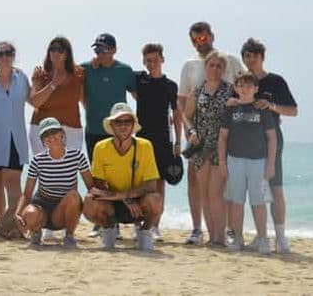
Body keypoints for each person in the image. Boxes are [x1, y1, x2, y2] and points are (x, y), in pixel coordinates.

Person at [177, 21, 243, 245]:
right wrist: (189, 132)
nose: (199, 42)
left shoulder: (230, 60)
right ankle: (198, 229)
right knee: (197, 186)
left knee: (223, 187)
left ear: (211, 36)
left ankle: (227, 231)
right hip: (198, 138)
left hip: (226, 137)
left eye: (202, 37)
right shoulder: (189, 65)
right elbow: (183, 101)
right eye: (194, 39)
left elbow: (246, 86)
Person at [236, 38, 298, 253]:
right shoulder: (241, 82)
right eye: (245, 56)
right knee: (256, 192)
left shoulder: (275, 81)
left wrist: (271, 105)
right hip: (246, 141)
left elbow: (293, 110)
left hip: (271, 139)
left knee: (276, 189)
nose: (249, 60)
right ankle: (262, 237)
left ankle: (281, 238)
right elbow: (232, 105)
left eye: (253, 56)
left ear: (262, 57)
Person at [83, 103, 163, 251]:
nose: (123, 126)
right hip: (112, 204)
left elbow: (151, 186)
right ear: (111, 125)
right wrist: (125, 198)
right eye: (119, 122)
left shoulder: (145, 146)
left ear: (133, 125)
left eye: (128, 122)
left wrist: (128, 197)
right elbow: (98, 187)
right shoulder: (100, 147)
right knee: (89, 201)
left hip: (138, 205)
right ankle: (108, 228)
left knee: (156, 199)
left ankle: (144, 232)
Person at [218, 72, 277, 254]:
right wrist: (222, 162)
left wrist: (270, 164)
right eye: (241, 85)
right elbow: (222, 137)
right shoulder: (230, 109)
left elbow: (272, 138)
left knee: (258, 202)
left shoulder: (262, 109)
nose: (245, 89)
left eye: (249, 86)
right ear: (236, 88)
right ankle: (237, 238)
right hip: (234, 161)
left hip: (258, 162)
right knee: (236, 202)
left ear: (256, 89)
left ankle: (262, 239)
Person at [0, 41, 33, 238]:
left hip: (15, 137)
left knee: (13, 184)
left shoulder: (22, 79)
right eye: (0, 54)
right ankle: (2, 223)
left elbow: (34, 101)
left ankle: (12, 225)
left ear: (13, 55)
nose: (4, 57)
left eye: (8, 53)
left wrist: (47, 83)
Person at [182, 51, 234, 247]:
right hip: (200, 146)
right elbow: (186, 116)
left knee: (216, 194)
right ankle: (212, 237)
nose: (215, 69)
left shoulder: (230, 90)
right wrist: (192, 132)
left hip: (221, 147)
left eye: (219, 66)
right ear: (206, 68)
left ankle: (220, 237)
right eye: (211, 65)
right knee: (203, 193)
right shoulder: (196, 91)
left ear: (224, 69)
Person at [15, 119, 92, 249]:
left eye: (54, 132)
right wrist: (17, 213)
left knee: (73, 196)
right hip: (42, 207)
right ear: (43, 140)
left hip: (62, 211)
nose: (51, 136)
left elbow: (90, 186)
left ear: (62, 133)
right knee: (29, 213)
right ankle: (36, 233)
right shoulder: (37, 160)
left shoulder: (78, 156)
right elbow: (27, 193)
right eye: (46, 135)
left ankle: (69, 236)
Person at [134, 43, 183, 240]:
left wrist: (178, 142)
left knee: (160, 183)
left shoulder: (170, 86)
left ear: (162, 59)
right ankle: (138, 224)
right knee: (140, 181)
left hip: (163, 139)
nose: (151, 63)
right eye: (147, 60)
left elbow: (176, 113)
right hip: (141, 138)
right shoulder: (139, 80)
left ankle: (154, 225)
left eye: (154, 59)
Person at [80, 33, 137, 163]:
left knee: (120, 175)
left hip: (119, 132)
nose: (99, 54)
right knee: (98, 177)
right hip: (93, 130)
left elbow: (138, 97)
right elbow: (67, 69)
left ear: (114, 50)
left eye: (103, 50)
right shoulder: (85, 69)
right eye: (97, 50)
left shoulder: (125, 70)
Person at [29, 36, 85, 155]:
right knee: (45, 171)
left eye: (60, 49)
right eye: (52, 49)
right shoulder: (41, 75)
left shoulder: (79, 74)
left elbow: (83, 99)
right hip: (42, 129)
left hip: (72, 130)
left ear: (67, 54)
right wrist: (53, 84)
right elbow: (35, 102)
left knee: (69, 170)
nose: (56, 52)